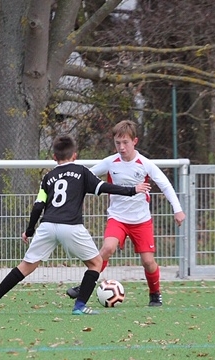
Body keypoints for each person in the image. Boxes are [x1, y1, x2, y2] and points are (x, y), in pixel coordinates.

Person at [0, 135, 150, 316]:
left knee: (25, 266)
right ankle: (79, 306)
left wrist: (29, 230)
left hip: (47, 226)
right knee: (96, 263)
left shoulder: (48, 177)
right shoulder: (81, 172)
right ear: (75, 155)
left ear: (54, 157)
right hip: (71, 226)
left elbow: (38, 206)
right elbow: (105, 187)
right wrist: (132, 190)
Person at [66, 120, 186, 307]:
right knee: (107, 248)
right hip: (117, 218)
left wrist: (177, 209)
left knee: (148, 262)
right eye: (117, 143)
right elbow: (86, 176)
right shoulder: (110, 162)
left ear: (134, 141)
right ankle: (85, 285)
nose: (121, 147)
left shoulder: (145, 164)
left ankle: (155, 294)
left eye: (125, 143)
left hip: (141, 221)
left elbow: (165, 185)